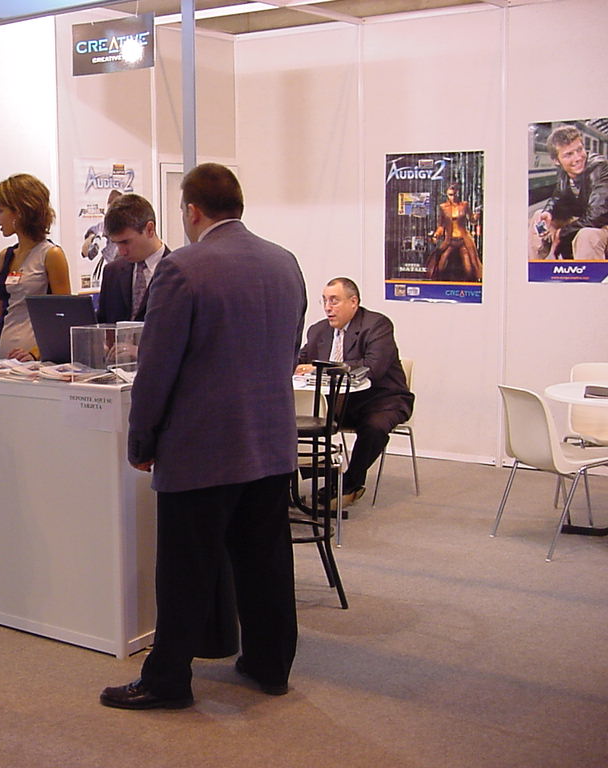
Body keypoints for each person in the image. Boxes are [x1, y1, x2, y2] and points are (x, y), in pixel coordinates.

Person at [100, 163, 307, 710]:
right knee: (265, 562)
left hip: (202, 447)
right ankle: (270, 665)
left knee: (185, 569)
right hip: (270, 442)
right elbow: (289, 350)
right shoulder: (285, 262)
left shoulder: (184, 269)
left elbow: (157, 367)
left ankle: (167, 680)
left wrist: (141, 441)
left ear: (191, 210)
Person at [295, 278, 413, 508]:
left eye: (334, 301)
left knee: (374, 426)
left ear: (353, 302)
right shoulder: (319, 330)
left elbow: (373, 368)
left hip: (382, 399)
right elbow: (302, 360)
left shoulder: (377, 326)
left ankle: (351, 482)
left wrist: (321, 368)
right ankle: (313, 478)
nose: (328, 307)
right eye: (324, 301)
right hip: (338, 402)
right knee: (296, 418)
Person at [0, 174, 71, 361]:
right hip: (1, 355)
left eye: (0, 210)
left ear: (19, 211)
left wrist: (35, 352)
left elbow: (63, 316)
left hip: (35, 360)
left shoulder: (51, 255)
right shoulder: (5, 256)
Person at [529, 124, 608, 260]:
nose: (578, 158)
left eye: (579, 149)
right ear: (556, 161)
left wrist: (562, 233)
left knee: (586, 236)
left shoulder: (599, 167)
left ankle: (585, 273)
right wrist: (549, 211)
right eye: (569, 154)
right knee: (538, 217)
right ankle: (533, 266)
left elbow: (597, 216)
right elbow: (558, 195)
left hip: (602, 224)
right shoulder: (564, 170)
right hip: (581, 220)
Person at [96, 193, 169, 323]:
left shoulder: (178, 272)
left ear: (150, 229)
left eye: (126, 242)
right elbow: (103, 325)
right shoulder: (112, 272)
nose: (121, 251)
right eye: (116, 243)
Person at [428, 182, 482, 282]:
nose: (452, 197)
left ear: (458, 193)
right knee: (441, 265)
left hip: (463, 239)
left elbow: (472, 220)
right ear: (446, 194)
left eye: (454, 194)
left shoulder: (464, 205)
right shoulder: (443, 207)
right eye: (450, 195)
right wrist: (436, 235)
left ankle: (469, 286)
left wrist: (477, 214)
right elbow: (441, 225)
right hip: (449, 240)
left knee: (469, 268)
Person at [81, 189, 123, 284]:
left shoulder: (130, 227)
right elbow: (85, 252)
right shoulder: (103, 226)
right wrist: (93, 239)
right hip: (111, 271)